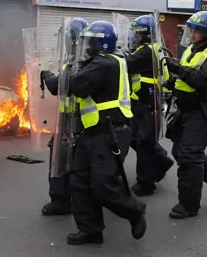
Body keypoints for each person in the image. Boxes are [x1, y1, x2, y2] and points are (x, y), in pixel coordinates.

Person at [64, 20, 146, 245]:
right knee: (79, 182)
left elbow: (78, 85)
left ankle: (135, 211)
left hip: (109, 133)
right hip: (91, 131)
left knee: (103, 185)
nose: (88, 45)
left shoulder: (105, 63)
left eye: (92, 41)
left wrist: (52, 79)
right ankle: (90, 230)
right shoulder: (99, 62)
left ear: (103, 44)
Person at [163, 11, 207, 219]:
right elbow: (186, 78)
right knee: (178, 150)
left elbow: (203, 80)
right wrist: (171, 83)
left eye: (197, 31)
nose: (192, 34)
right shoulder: (192, 50)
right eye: (191, 30)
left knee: (189, 154)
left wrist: (179, 69)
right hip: (187, 107)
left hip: (205, 109)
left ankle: (189, 204)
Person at [39, 18, 88, 216]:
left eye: (68, 37)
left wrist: (47, 76)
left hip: (75, 121)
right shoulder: (78, 59)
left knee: (59, 158)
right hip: (78, 119)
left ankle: (61, 201)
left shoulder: (79, 63)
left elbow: (58, 85)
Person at [125, 14, 175, 196]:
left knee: (144, 142)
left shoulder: (147, 51)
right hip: (141, 101)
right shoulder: (148, 48)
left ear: (146, 34)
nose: (134, 36)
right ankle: (161, 160)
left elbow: (127, 64)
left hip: (148, 102)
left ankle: (146, 183)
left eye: (137, 33)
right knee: (135, 139)